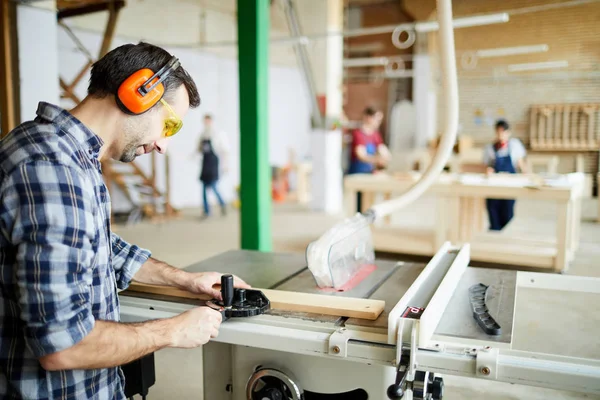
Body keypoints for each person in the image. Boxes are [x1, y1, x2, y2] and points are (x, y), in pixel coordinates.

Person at [0, 42, 250, 400]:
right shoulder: (52, 169)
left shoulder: (59, 152)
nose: (164, 144)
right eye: (170, 124)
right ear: (138, 93)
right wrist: (173, 331)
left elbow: (93, 243)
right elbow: (63, 347)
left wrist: (184, 279)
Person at [483, 119, 528, 231]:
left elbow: (520, 163)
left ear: (508, 132)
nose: (501, 135)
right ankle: (495, 234)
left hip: (510, 185)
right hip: (494, 186)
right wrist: (488, 171)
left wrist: (525, 175)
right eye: (498, 132)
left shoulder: (514, 145)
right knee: (493, 213)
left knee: (508, 214)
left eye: (503, 132)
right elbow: (487, 165)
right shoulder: (490, 148)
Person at [347, 107, 391, 212]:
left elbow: (382, 149)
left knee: (369, 202)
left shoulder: (375, 135)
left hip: (369, 172)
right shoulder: (358, 134)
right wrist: (377, 159)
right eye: (377, 119)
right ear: (368, 118)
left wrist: (386, 156)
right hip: (358, 172)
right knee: (359, 204)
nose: (378, 122)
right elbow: (361, 155)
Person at [197, 114, 228, 218]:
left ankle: (223, 204)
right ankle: (207, 211)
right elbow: (199, 149)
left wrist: (225, 165)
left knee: (214, 186)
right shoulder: (202, 134)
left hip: (213, 163)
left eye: (208, 121)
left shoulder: (216, 134)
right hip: (205, 163)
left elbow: (224, 150)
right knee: (204, 189)